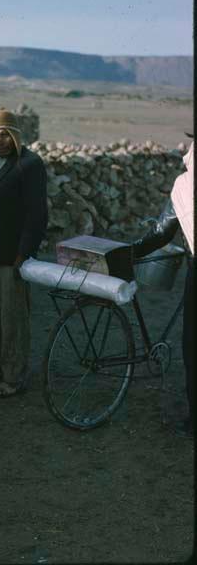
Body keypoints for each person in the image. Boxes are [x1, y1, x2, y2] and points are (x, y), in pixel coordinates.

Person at [0, 108, 48, 398]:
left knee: (13, 317)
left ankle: (14, 377)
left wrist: (24, 253)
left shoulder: (30, 165)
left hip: (13, 254)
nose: (0, 140)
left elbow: (37, 215)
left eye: (5, 134)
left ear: (15, 134)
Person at [132, 136, 194, 438]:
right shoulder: (184, 184)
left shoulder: (184, 185)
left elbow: (161, 232)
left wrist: (131, 252)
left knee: (192, 347)